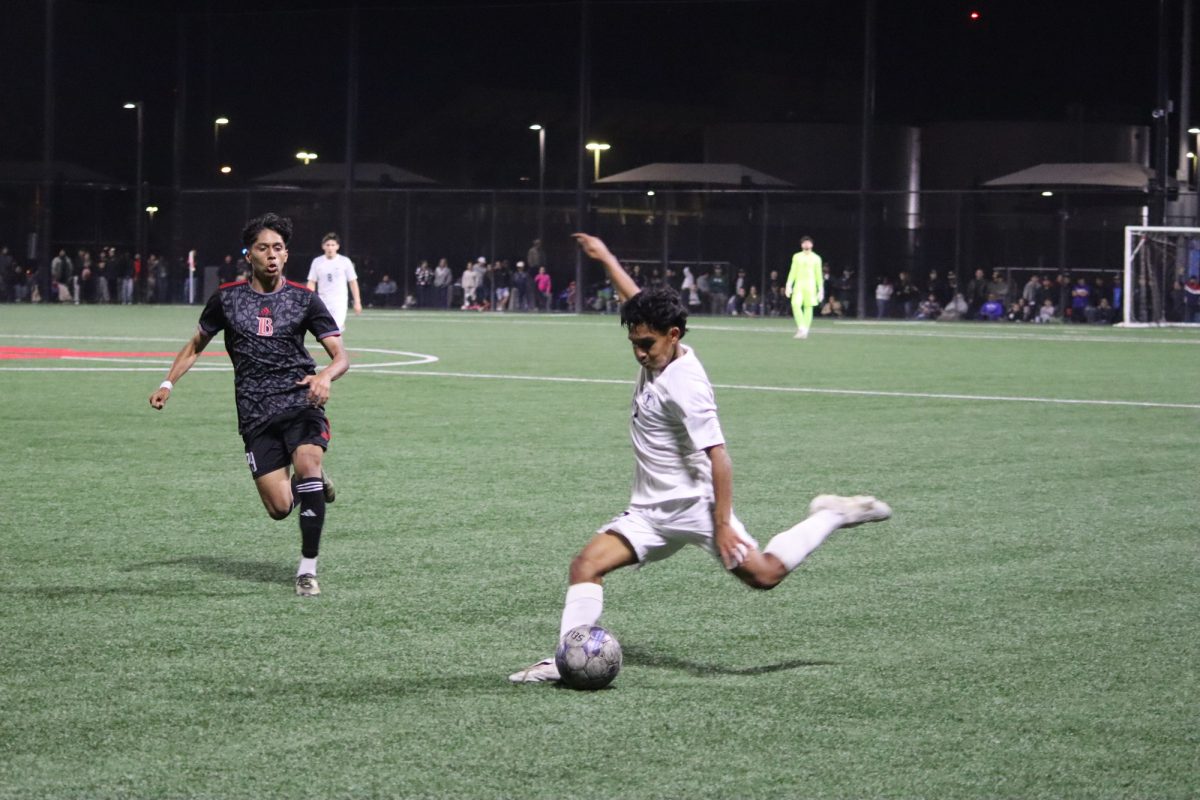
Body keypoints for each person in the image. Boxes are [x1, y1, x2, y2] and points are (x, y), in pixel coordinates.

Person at [508, 233, 891, 684]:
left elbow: (719, 457)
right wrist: (607, 257)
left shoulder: (686, 385)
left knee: (764, 575)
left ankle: (832, 514)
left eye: (646, 344)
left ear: (673, 336)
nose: (638, 352)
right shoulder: (657, 344)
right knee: (585, 566)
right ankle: (568, 658)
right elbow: (636, 299)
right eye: (633, 341)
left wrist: (724, 523)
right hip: (648, 513)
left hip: (696, 509)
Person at [149, 213, 350, 597]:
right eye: (263, 248)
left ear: (286, 255)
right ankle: (310, 485)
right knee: (278, 508)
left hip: (300, 401)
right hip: (256, 414)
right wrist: (167, 383)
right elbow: (195, 345)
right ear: (249, 255)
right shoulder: (227, 299)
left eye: (278, 248)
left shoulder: (304, 300)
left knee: (308, 461)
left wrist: (324, 376)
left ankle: (307, 569)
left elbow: (341, 356)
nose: (271, 255)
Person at [306, 232, 362, 331]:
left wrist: (357, 302)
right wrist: (309, 300)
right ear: (323, 246)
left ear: (337, 246)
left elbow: (353, 282)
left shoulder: (345, 261)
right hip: (322, 301)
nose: (330, 247)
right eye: (327, 245)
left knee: (335, 330)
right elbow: (312, 282)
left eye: (333, 245)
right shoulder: (317, 262)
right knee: (324, 330)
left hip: (339, 302)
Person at [785, 237, 823, 338]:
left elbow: (819, 275)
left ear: (812, 245)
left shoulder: (816, 258)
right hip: (799, 285)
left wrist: (821, 289)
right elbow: (793, 271)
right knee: (795, 304)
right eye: (804, 243)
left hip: (810, 285)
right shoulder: (797, 256)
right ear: (801, 245)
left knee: (808, 307)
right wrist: (789, 284)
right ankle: (801, 327)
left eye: (808, 243)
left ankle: (805, 330)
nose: (806, 244)